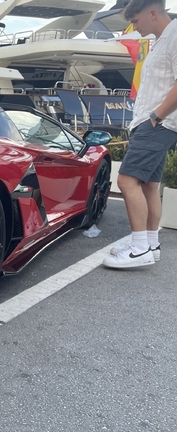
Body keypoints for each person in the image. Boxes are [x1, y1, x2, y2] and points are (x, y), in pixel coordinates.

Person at [102, 0, 177, 269]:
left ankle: (139, 249)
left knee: (125, 181)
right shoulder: (160, 41)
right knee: (148, 186)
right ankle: (150, 244)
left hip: (158, 123)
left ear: (153, 13)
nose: (134, 26)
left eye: (136, 20)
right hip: (153, 123)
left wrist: (155, 117)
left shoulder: (175, 36)